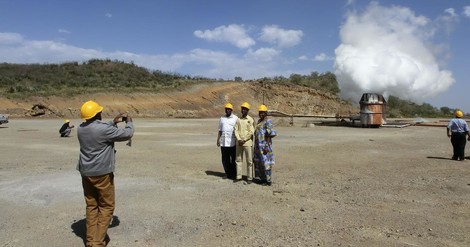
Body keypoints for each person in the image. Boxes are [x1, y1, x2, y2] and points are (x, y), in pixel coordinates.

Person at [77, 100, 134, 247]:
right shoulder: (103, 130)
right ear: (97, 114)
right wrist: (129, 122)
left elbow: (98, 129)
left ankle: (90, 239)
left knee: (91, 206)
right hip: (102, 173)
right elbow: (127, 134)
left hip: (86, 172)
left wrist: (113, 122)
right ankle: (96, 243)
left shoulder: (81, 128)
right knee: (106, 207)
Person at [253, 104, 277, 186]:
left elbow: (270, 134)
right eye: (260, 112)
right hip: (258, 146)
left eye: (263, 112)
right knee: (259, 162)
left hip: (264, 146)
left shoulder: (268, 121)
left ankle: (268, 180)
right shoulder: (259, 121)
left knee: (266, 163)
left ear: (266, 113)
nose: (261, 114)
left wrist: (267, 146)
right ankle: (262, 179)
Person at [234, 102, 255, 184]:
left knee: (249, 161)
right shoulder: (238, 119)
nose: (243, 110)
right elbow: (236, 130)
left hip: (247, 143)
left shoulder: (250, 120)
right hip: (239, 143)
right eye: (242, 108)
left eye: (245, 109)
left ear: (248, 110)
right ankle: (238, 176)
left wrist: (244, 139)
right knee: (238, 160)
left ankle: (249, 178)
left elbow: (251, 132)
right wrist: (239, 139)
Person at [216, 103, 238, 180]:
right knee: (225, 160)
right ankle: (227, 173)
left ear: (231, 110)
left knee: (233, 160)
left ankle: (234, 174)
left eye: (229, 109)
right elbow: (220, 130)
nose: (227, 110)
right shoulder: (222, 118)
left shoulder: (235, 118)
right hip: (223, 142)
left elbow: (238, 130)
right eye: (226, 109)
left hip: (232, 143)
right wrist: (218, 140)